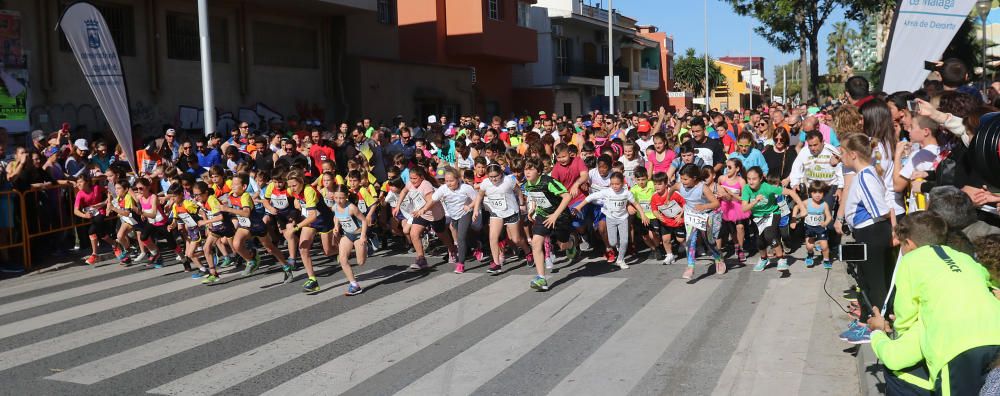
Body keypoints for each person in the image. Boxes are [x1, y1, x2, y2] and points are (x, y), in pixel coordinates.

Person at [867, 211, 1000, 395]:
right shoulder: (963, 257)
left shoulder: (911, 260)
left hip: (956, 348)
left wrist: (888, 331)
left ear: (909, 244)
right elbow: (988, 283)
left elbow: (905, 314)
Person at [838, 134, 893, 344]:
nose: (841, 157)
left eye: (843, 153)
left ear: (853, 154)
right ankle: (867, 320)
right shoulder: (863, 174)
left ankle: (876, 325)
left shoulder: (865, 176)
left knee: (875, 281)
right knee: (866, 280)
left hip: (873, 232)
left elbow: (879, 209)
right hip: (866, 232)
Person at [574, 171, 647, 269]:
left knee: (625, 241)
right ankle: (616, 242)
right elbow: (591, 197)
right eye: (612, 184)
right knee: (612, 242)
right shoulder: (607, 192)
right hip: (611, 219)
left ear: (623, 183)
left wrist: (642, 214)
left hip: (623, 219)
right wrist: (578, 207)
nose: (615, 186)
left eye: (617, 184)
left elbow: (636, 204)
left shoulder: (626, 193)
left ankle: (621, 260)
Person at [523, 157, 573, 291]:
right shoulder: (528, 184)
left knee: (562, 245)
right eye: (526, 169)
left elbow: (567, 196)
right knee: (536, 242)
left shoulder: (549, 182)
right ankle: (541, 278)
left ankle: (572, 243)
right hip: (543, 215)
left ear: (539, 171)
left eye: (531, 169)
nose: (527, 172)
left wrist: (555, 215)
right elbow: (534, 195)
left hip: (560, 216)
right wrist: (532, 208)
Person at [741, 166, 804, 272]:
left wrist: (802, 207)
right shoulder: (746, 189)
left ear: (761, 179)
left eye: (754, 179)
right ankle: (763, 259)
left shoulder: (767, 187)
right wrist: (755, 201)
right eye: (749, 179)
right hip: (757, 217)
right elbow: (744, 208)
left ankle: (781, 259)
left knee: (770, 235)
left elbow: (791, 192)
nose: (751, 182)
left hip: (773, 213)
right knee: (759, 241)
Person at [473, 163, 532, 274]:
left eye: (496, 176)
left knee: (516, 239)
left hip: (511, 212)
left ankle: (528, 251)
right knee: (492, 238)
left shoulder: (508, 180)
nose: (493, 179)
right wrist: (476, 209)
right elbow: (480, 195)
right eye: (491, 176)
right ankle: (496, 264)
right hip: (496, 212)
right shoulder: (485, 183)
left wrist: (522, 203)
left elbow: (518, 191)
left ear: (501, 173)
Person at [673, 163, 721, 279]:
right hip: (690, 216)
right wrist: (668, 199)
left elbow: (716, 203)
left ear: (694, 178)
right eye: (681, 178)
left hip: (705, 216)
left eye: (685, 179)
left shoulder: (703, 187)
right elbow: (673, 188)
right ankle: (690, 266)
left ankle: (719, 259)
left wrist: (703, 207)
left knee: (709, 241)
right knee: (690, 240)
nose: (682, 181)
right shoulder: (680, 185)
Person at [429, 167, 477, 273]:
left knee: (460, 238)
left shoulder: (466, 188)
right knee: (463, 236)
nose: (448, 183)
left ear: (458, 179)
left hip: (466, 213)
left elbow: (477, 199)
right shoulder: (443, 188)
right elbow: (432, 200)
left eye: (451, 181)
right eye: (446, 181)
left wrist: (469, 206)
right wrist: (423, 209)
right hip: (454, 216)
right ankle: (477, 245)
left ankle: (461, 264)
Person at [329, 184, 368, 296]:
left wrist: (363, 236)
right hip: (347, 235)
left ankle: (368, 244)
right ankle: (354, 285)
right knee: (342, 259)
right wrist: (336, 226)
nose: (339, 200)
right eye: (336, 198)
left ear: (346, 196)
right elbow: (336, 216)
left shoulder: (352, 208)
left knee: (361, 262)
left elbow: (364, 221)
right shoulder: (335, 206)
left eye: (341, 198)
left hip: (358, 235)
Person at [73, 174, 118, 265]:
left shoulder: (96, 187)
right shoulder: (80, 194)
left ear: (87, 182)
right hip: (91, 215)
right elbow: (75, 211)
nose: (78, 184)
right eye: (77, 183)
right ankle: (115, 244)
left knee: (91, 231)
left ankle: (94, 254)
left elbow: (108, 191)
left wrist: (107, 201)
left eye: (80, 182)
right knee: (101, 234)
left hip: (101, 212)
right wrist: (84, 215)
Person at [794, 181, 833, 269]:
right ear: (810, 193)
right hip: (809, 228)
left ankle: (826, 259)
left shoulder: (824, 204)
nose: (817, 195)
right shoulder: (807, 202)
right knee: (809, 246)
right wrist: (794, 217)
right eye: (815, 192)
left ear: (824, 193)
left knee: (825, 246)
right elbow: (797, 206)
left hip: (820, 228)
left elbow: (829, 217)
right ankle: (810, 255)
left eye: (820, 192)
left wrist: (826, 223)